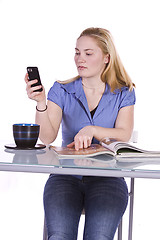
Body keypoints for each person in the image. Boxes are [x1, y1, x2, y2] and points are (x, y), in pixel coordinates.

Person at [25, 27, 136, 240]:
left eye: (88, 53)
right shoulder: (62, 89)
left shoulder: (124, 92)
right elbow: (47, 137)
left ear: (106, 58)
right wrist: (41, 103)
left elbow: (124, 134)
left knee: (99, 237)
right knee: (59, 236)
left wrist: (92, 129)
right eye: (77, 52)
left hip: (108, 179)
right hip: (65, 177)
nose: (80, 59)